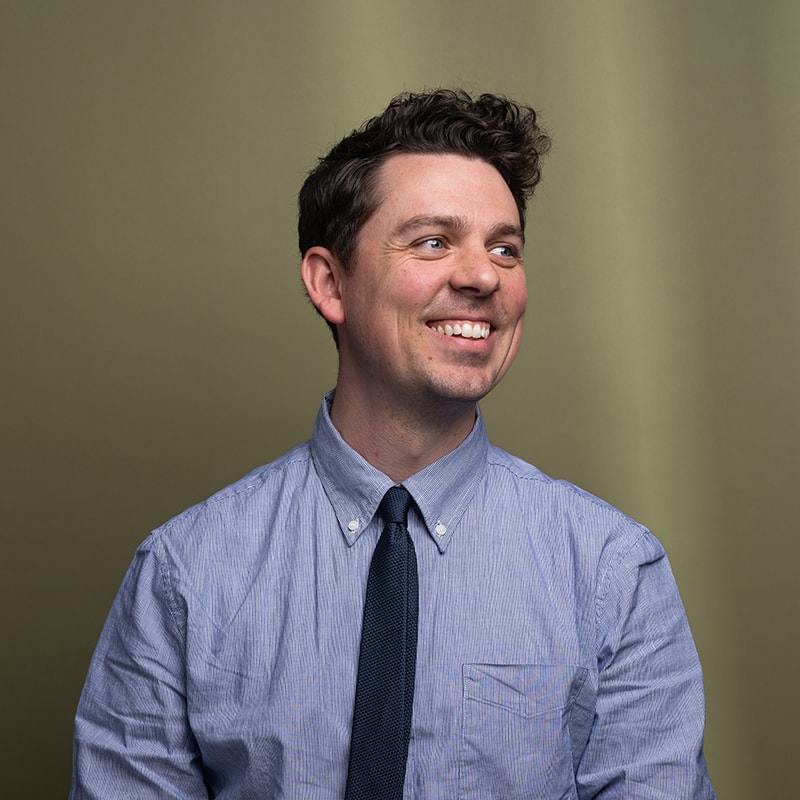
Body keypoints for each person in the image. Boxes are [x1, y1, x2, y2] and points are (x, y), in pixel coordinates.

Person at [70, 89, 716, 799]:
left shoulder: (613, 573)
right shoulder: (184, 576)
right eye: (434, 241)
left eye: (505, 248)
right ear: (329, 282)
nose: (482, 275)